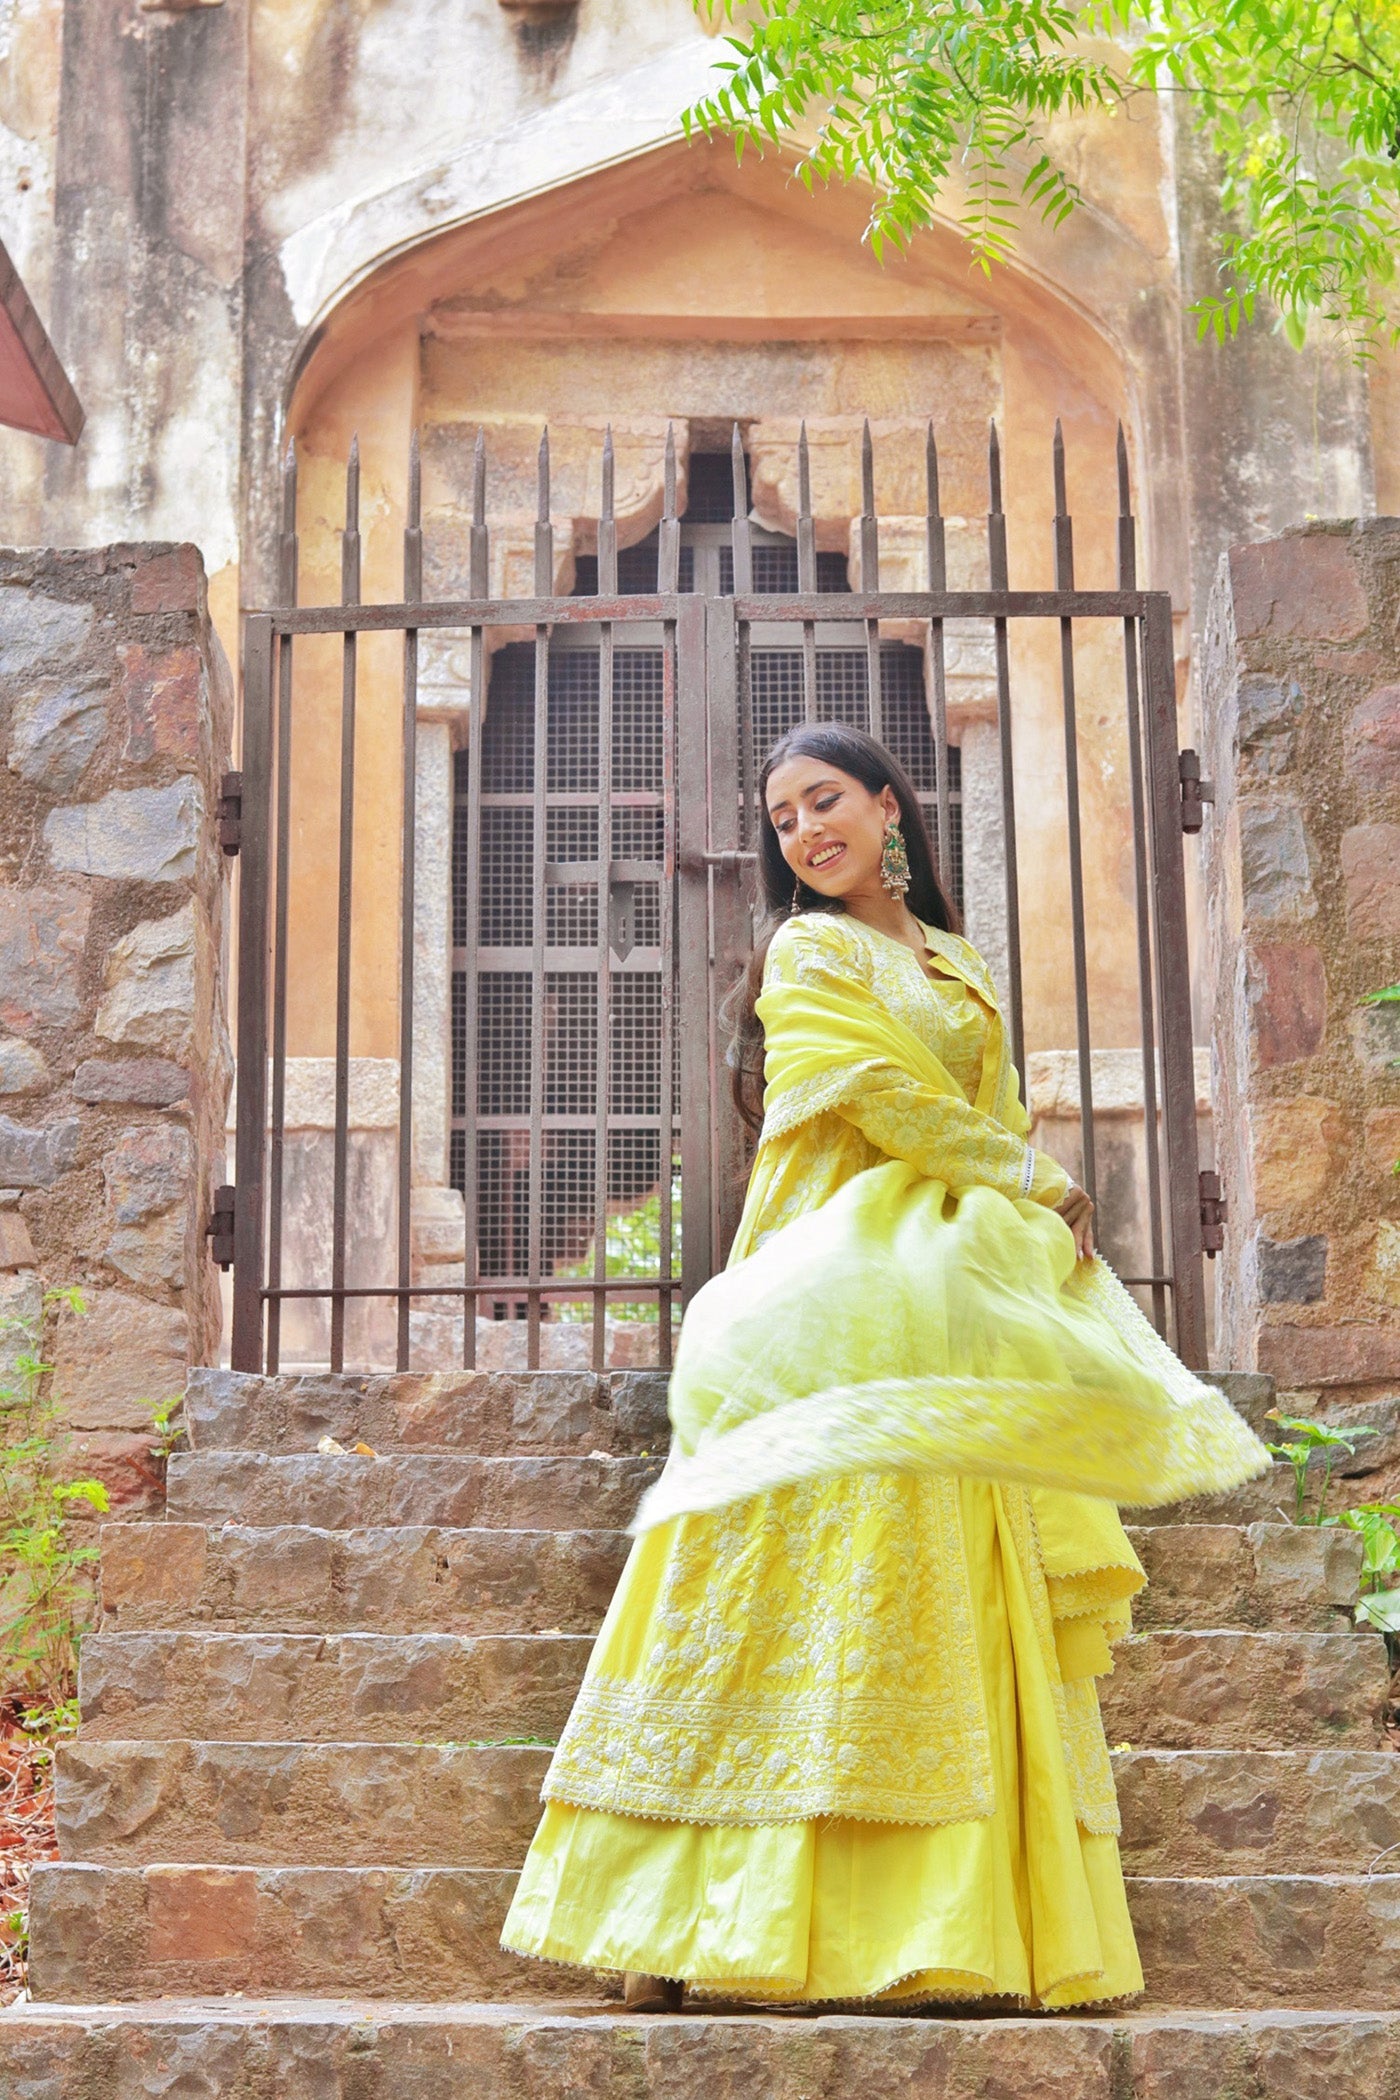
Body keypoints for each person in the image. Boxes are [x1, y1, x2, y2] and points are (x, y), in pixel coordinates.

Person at [501, 723, 1267, 2010]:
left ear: (888, 805)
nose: (806, 830)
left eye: (825, 800)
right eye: (784, 817)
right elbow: (869, 1091)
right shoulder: (804, 952)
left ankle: (950, 1925)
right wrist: (1024, 1176)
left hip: (947, 1292)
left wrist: (1028, 1232)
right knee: (764, 1573)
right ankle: (669, 1922)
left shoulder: (960, 964)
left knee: (933, 1573)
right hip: (829, 1289)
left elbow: (995, 1106)